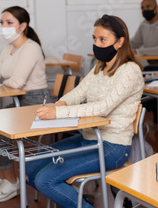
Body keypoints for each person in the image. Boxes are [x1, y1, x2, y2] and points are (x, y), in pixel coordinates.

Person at [26, 15, 144, 208]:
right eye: (94, 39)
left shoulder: (130, 71)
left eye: (103, 40)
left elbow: (103, 108)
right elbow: (78, 93)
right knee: (30, 166)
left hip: (112, 147)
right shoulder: (99, 67)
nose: (96, 44)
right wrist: (60, 105)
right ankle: (77, 200)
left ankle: (80, 203)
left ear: (120, 42)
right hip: (89, 138)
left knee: (44, 180)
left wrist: (59, 114)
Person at [0, 6, 51, 203]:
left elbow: (17, 82)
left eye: (9, 23)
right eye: (2, 23)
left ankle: (12, 181)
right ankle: (2, 178)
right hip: (20, 102)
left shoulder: (31, 47)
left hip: (36, 104)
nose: (4, 27)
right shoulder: (9, 47)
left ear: (23, 26)